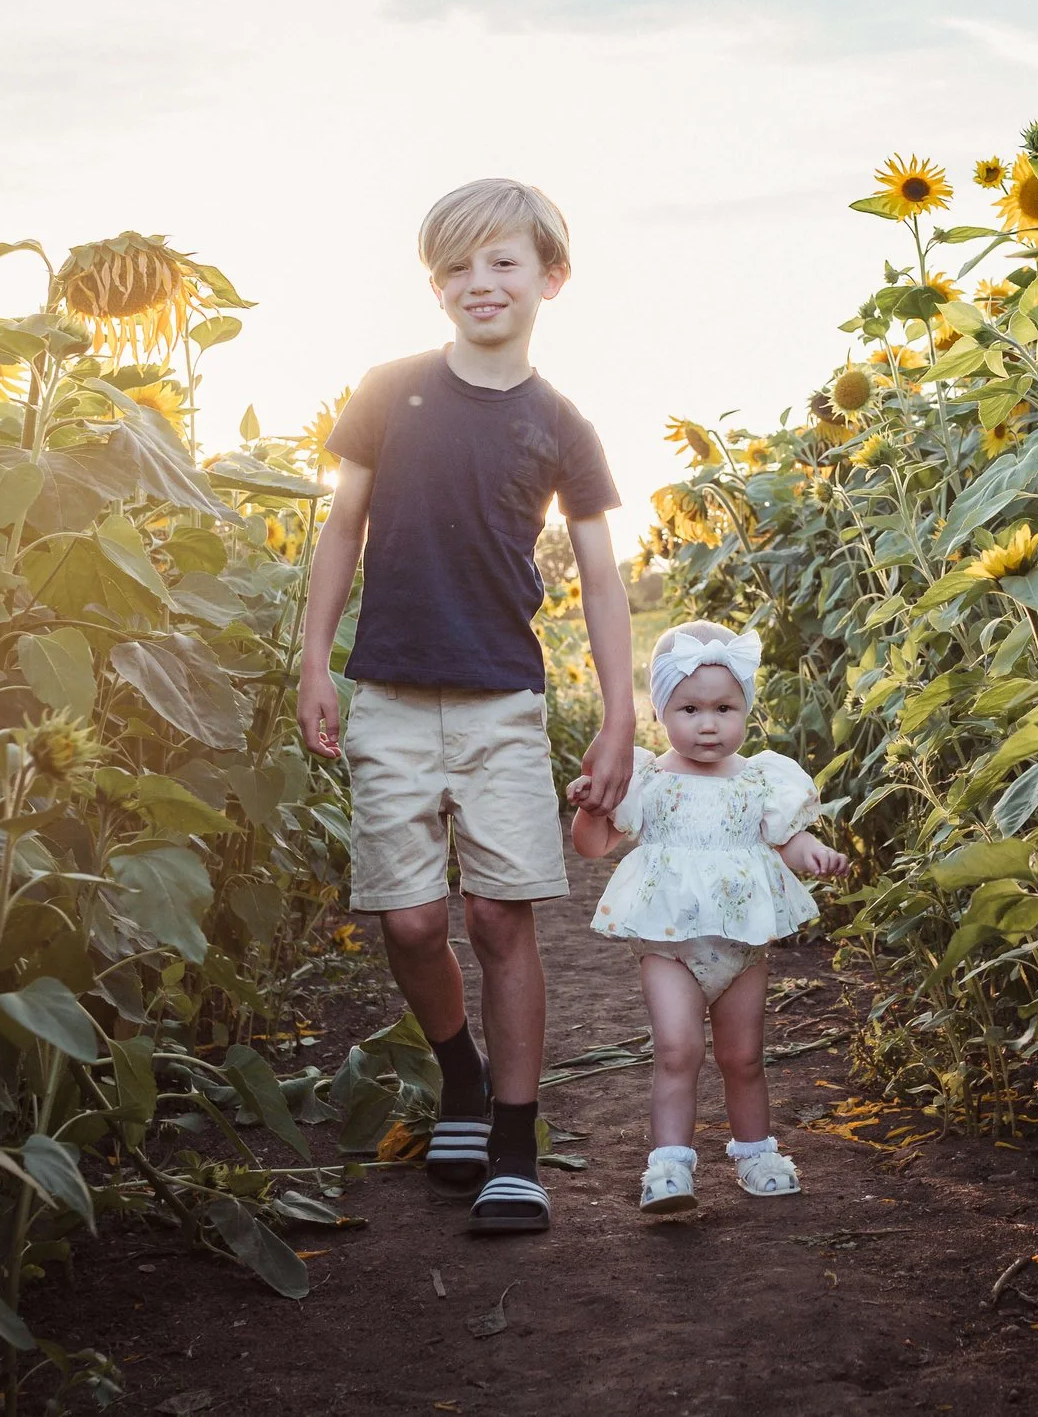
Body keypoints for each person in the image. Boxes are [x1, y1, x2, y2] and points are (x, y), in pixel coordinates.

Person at [296, 178, 634, 1235]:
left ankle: (515, 1150)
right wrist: (314, 657)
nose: (477, 283)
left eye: (501, 262)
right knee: (406, 918)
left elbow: (601, 573)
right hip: (389, 690)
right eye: (456, 266)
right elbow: (339, 529)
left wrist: (620, 712)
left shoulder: (561, 423)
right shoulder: (388, 389)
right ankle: (460, 1076)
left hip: (501, 700)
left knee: (497, 914)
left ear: (550, 278)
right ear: (433, 283)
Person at [567, 621, 848, 1215]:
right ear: (661, 711)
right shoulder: (647, 780)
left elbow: (785, 842)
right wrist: (592, 806)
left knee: (744, 1055)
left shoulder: (760, 780)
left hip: (740, 942)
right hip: (669, 944)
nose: (708, 723)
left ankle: (755, 1153)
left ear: (746, 708)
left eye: (725, 708)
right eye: (690, 708)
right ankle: (669, 1166)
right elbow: (593, 847)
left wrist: (813, 854)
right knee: (677, 1050)